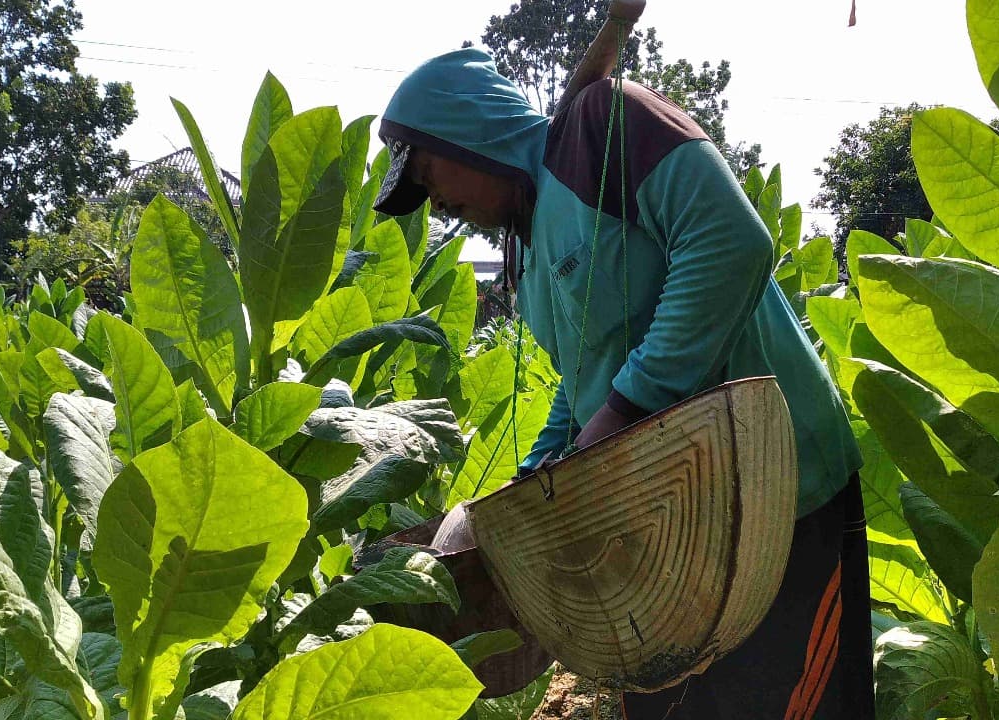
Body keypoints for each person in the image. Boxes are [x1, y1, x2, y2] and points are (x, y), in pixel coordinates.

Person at [371, 14, 874, 720]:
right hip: (661, 528)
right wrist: (537, 476)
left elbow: (730, 243)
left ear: (468, 134)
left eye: (429, 174)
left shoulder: (601, 128)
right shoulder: (528, 249)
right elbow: (586, 381)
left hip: (775, 491)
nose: (438, 203)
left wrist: (628, 408)